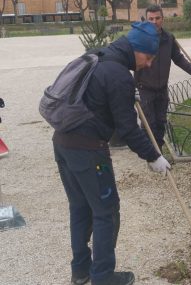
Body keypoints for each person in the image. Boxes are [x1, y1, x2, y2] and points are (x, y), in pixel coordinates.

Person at [52, 22, 171, 285]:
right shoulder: (118, 74)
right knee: (106, 211)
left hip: (62, 143)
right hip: (88, 151)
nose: (149, 64)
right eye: (148, 57)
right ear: (136, 49)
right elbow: (128, 129)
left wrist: (127, 97)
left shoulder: (97, 56)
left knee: (80, 207)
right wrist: (154, 156)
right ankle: (103, 277)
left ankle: (81, 271)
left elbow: (98, 98)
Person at [134, 4, 191, 151]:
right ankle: (151, 154)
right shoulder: (140, 39)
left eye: (157, 18)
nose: (154, 22)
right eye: (151, 19)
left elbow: (178, 58)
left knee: (161, 121)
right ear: (146, 20)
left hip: (162, 89)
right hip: (145, 89)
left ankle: (159, 150)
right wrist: (133, 87)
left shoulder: (168, 39)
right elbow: (132, 64)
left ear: (163, 19)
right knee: (149, 123)